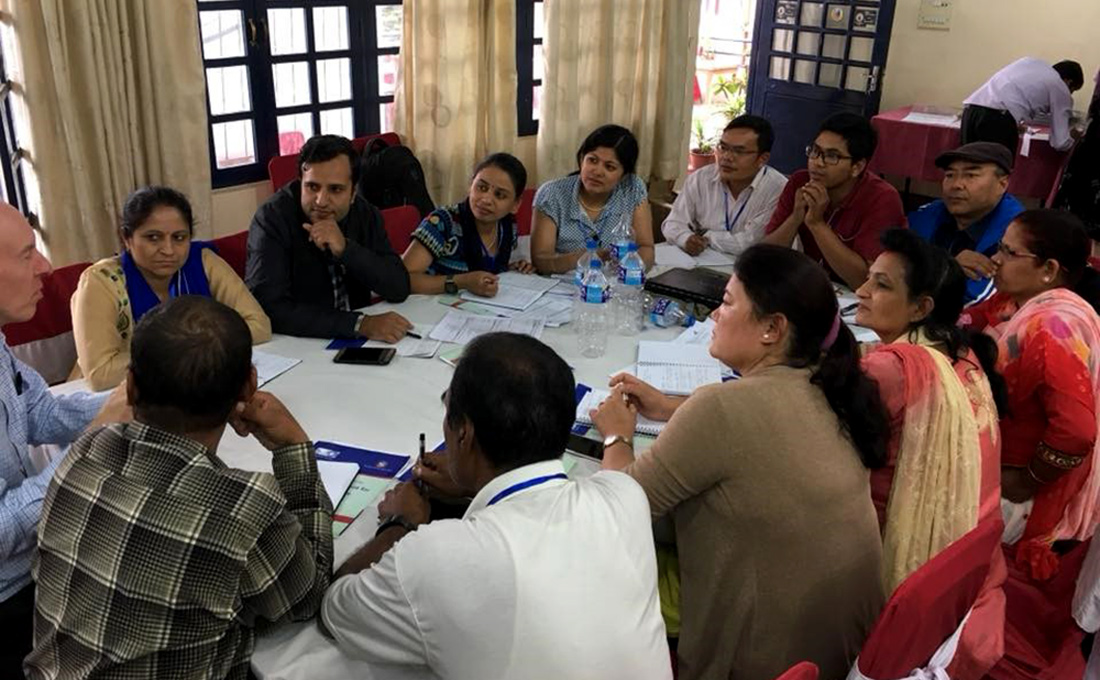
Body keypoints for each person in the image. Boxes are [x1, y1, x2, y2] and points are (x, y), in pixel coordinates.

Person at [590, 244, 888, 680]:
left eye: (728, 303)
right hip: (837, 655)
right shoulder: (832, 386)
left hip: (753, 659)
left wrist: (616, 434)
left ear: (772, 328)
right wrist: (670, 407)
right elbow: (756, 429)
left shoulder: (721, 409)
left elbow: (615, 510)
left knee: (587, 566)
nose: (715, 314)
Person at [321, 332, 671, 680]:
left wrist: (399, 524)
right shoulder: (625, 497)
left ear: (464, 434)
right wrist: (473, 484)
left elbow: (336, 610)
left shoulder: (436, 557)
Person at [27, 296, 333, 680]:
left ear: (130, 387)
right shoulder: (243, 509)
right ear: (249, 387)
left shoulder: (87, 449)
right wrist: (294, 450)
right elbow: (308, 596)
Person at [855, 228, 1006, 677]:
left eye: (881, 284)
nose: (861, 291)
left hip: (895, 552)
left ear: (921, 308)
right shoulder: (964, 353)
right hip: (969, 562)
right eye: (868, 277)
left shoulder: (891, 367)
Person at [961, 210, 1100, 680]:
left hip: (1032, 498)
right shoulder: (1028, 309)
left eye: (1009, 251)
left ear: (1048, 269)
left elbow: (1076, 431)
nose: (996, 259)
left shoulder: (1052, 327)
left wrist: (1028, 479)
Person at [0, 203, 128, 679]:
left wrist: (132, 398)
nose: (46, 267)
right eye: (26, 255)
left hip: (33, 567)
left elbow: (39, 412)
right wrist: (91, 443)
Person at [71, 186, 271, 391]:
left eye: (179, 238)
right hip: (116, 397)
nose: (168, 250)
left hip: (192, 387)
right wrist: (197, 349)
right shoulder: (102, 281)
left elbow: (259, 325)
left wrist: (186, 353)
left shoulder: (203, 262)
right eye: (153, 237)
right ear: (127, 238)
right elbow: (101, 374)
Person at [246, 134, 411, 341]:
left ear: (353, 193)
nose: (321, 201)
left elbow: (399, 287)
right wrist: (358, 324)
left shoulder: (365, 213)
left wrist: (346, 249)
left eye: (335, 189)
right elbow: (267, 308)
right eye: (312, 187)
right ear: (300, 182)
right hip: (299, 342)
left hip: (356, 341)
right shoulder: (271, 219)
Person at [763, 112, 906, 290]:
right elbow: (764, 258)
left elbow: (865, 281)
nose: (817, 162)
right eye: (815, 151)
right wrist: (795, 218)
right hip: (808, 289)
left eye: (832, 156)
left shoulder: (882, 198)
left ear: (857, 167)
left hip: (859, 299)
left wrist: (816, 224)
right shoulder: (800, 182)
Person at [402, 153, 535, 297]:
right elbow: (404, 279)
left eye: (499, 195)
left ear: (515, 204)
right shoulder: (443, 222)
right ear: (471, 185)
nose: (486, 199)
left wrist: (511, 270)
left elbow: (487, 268)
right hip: (432, 304)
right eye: (482, 188)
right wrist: (463, 282)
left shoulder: (508, 226)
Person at [909, 143, 1025, 304]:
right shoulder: (926, 214)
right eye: (950, 175)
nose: (956, 185)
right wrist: (947, 268)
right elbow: (894, 269)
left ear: (1003, 184)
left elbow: (977, 303)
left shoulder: (1017, 234)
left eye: (971, 175)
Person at [531, 124, 655, 273]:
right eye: (592, 160)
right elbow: (541, 261)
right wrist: (591, 257)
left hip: (618, 280)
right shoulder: (552, 194)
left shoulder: (632, 188)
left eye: (609, 167)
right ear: (581, 159)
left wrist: (631, 273)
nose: (597, 172)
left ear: (624, 175)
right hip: (566, 281)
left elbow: (645, 247)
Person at [661, 115, 787, 258]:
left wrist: (706, 236)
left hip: (750, 266)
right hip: (698, 262)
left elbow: (752, 243)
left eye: (739, 151)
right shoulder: (700, 178)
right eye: (723, 148)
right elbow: (672, 223)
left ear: (762, 158)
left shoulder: (778, 189)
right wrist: (686, 238)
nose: (726, 157)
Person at [962, 57, 1085, 153]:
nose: (1069, 94)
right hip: (998, 118)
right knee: (997, 170)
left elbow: (1011, 94)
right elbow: (1060, 143)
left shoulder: (1030, 63)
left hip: (970, 111)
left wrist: (1013, 122)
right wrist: (1073, 137)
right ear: (1068, 82)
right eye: (1072, 90)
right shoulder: (1060, 87)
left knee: (969, 166)